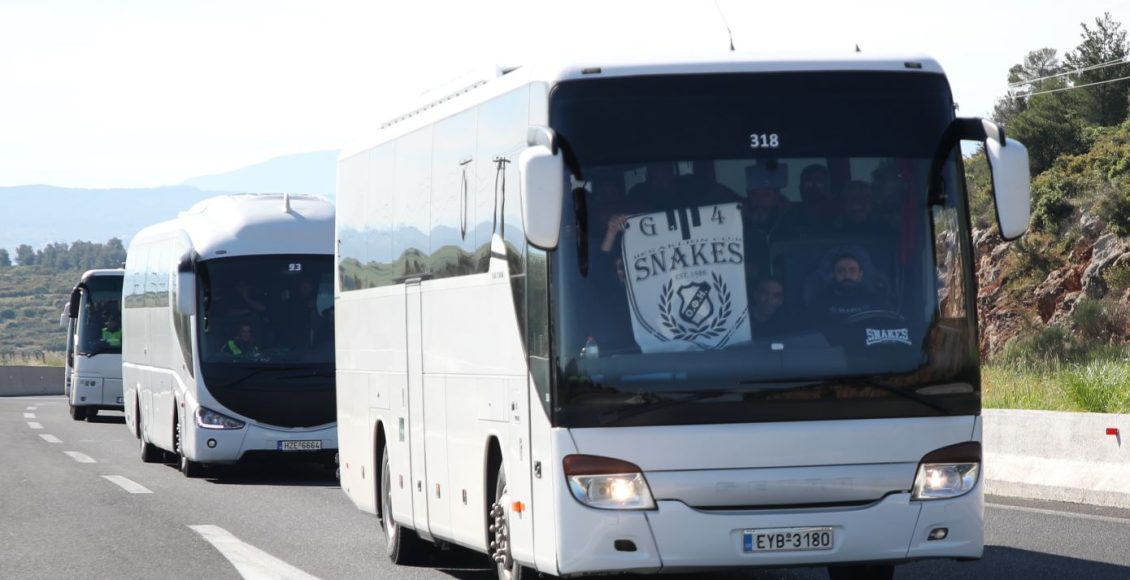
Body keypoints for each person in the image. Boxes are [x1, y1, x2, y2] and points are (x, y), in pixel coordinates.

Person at [809, 252, 893, 323]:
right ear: (834, 275)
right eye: (840, 271)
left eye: (852, 271)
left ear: (860, 275)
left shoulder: (876, 301)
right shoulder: (820, 303)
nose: (847, 275)